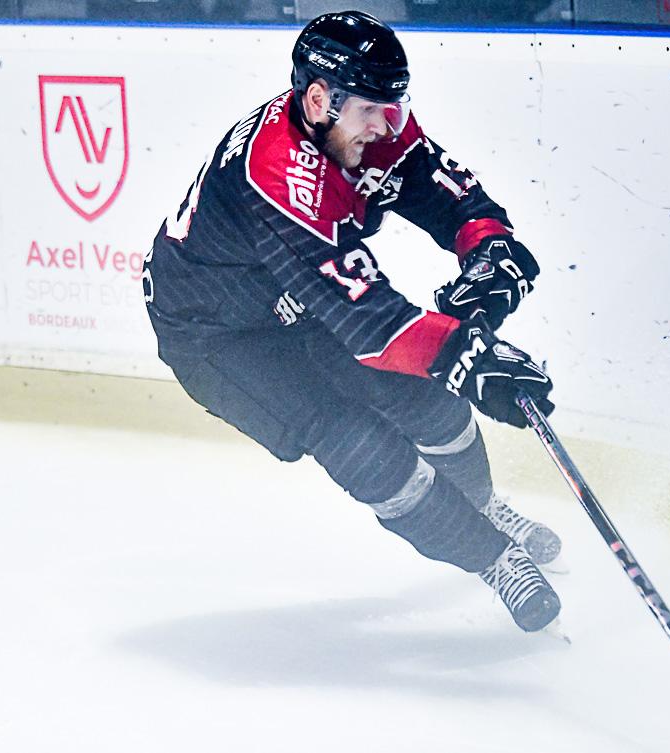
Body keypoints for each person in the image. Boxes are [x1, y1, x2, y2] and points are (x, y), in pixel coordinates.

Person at [142, 10, 562, 632]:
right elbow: (372, 328)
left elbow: (441, 192)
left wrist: (489, 247)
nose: (387, 124)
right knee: (357, 443)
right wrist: (465, 355)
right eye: (371, 110)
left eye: (395, 106)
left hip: (294, 297)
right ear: (319, 100)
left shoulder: (363, 122)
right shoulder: (279, 174)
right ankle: (495, 559)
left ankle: (482, 505)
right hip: (215, 334)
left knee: (429, 403)